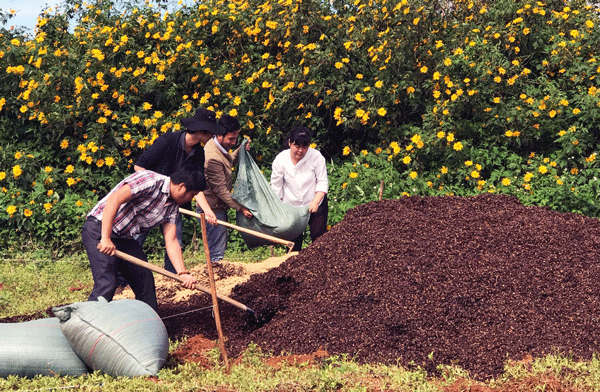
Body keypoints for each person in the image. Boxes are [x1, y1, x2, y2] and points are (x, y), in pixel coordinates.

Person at [81, 169, 205, 311]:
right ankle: (84, 321)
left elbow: (171, 241)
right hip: (99, 228)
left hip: (124, 237)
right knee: (107, 283)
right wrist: (106, 238)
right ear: (181, 187)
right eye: (192, 194)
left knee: (144, 279)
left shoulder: (172, 208)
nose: (191, 199)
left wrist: (183, 273)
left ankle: (149, 324)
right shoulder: (150, 181)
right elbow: (115, 199)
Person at [133, 107, 221, 273]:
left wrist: (207, 211)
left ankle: (172, 278)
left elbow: (196, 187)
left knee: (175, 242)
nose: (213, 137)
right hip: (149, 201)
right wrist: (161, 185)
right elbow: (139, 166)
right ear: (202, 131)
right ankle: (121, 282)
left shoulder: (198, 153)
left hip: (173, 204)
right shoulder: (167, 141)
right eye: (211, 133)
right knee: (135, 240)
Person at [197, 114, 253, 264]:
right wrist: (240, 208)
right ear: (219, 135)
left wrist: (239, 151)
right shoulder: (212, 157)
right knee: (216, 255)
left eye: (236, 139)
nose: (233, 142)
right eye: (231, 139)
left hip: (218, 207)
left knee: (218, 251)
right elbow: (221, 190)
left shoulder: (219, 147)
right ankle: (214, 282)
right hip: (212, 210)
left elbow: (227, 164)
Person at [270, 126, 329, 251]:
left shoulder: (316, 157)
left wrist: (315, 202)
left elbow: (322, 182)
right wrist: (278, 209)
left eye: (304, 147)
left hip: (315, 202)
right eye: (297, 146)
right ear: (290, 143)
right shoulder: (280, 159)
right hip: (291, 207)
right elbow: (276, 186)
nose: (300, 151)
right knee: (293, 244)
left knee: (319, 239)